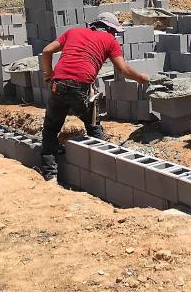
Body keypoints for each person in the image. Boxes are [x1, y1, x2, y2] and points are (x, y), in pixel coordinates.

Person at [38, 12, 150, 181]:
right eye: (114, 32)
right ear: (109, 29)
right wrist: (142, 78)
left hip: (58, 84)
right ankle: (105, 169)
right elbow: (124, 70)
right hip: (80, 87)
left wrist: (48, 73)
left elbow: (46, 51)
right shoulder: (110, 40)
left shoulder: (73, 32)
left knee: (51, 129)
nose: (114, 35)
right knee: (93, 126)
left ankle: (50, 174)